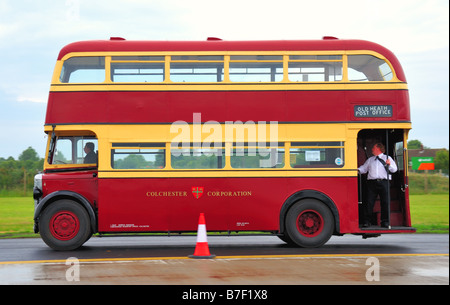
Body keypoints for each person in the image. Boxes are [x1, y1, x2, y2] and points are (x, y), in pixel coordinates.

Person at [358, 143, 397, 228]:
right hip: (372, 183)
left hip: (384, 182)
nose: (372, 149)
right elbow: (364, 169)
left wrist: (389, 164)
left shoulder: (387, 158)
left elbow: (394, 170)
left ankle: (385, 222)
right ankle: (367, 221)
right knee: (369, 202)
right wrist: (356, 170)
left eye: (373, 147)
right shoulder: (370, 160)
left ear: (378, 148)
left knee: (385, 202)